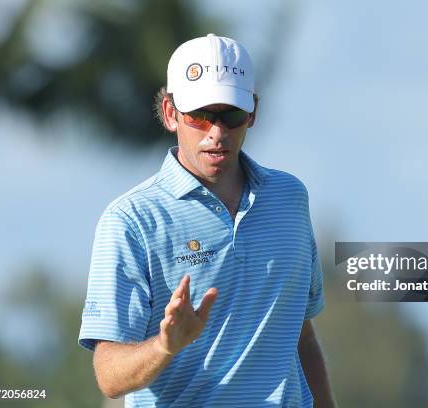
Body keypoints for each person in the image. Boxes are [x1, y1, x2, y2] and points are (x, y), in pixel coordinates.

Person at [78, 33, 334, 407]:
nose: (217, 132)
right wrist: (165, 346)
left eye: (230, 115)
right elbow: (108, 375)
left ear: (252, 113)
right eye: (199, 115)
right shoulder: (130, 220)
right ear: (170, 113)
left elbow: (299, 334)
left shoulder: (289, 198)